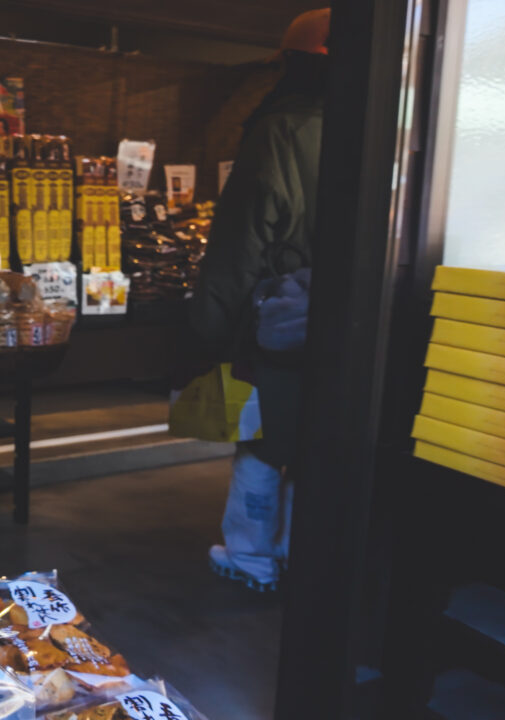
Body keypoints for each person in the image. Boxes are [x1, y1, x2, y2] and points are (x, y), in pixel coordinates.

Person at [188, 8, 330, 592]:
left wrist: (207, 334)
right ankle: (302, 554)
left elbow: (240, 246)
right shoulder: (380, 129)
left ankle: (250, 559)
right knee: (316, 441)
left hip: (279, 320)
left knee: (263, 444)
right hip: (353, 322)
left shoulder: (282, 128)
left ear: (294, 64)